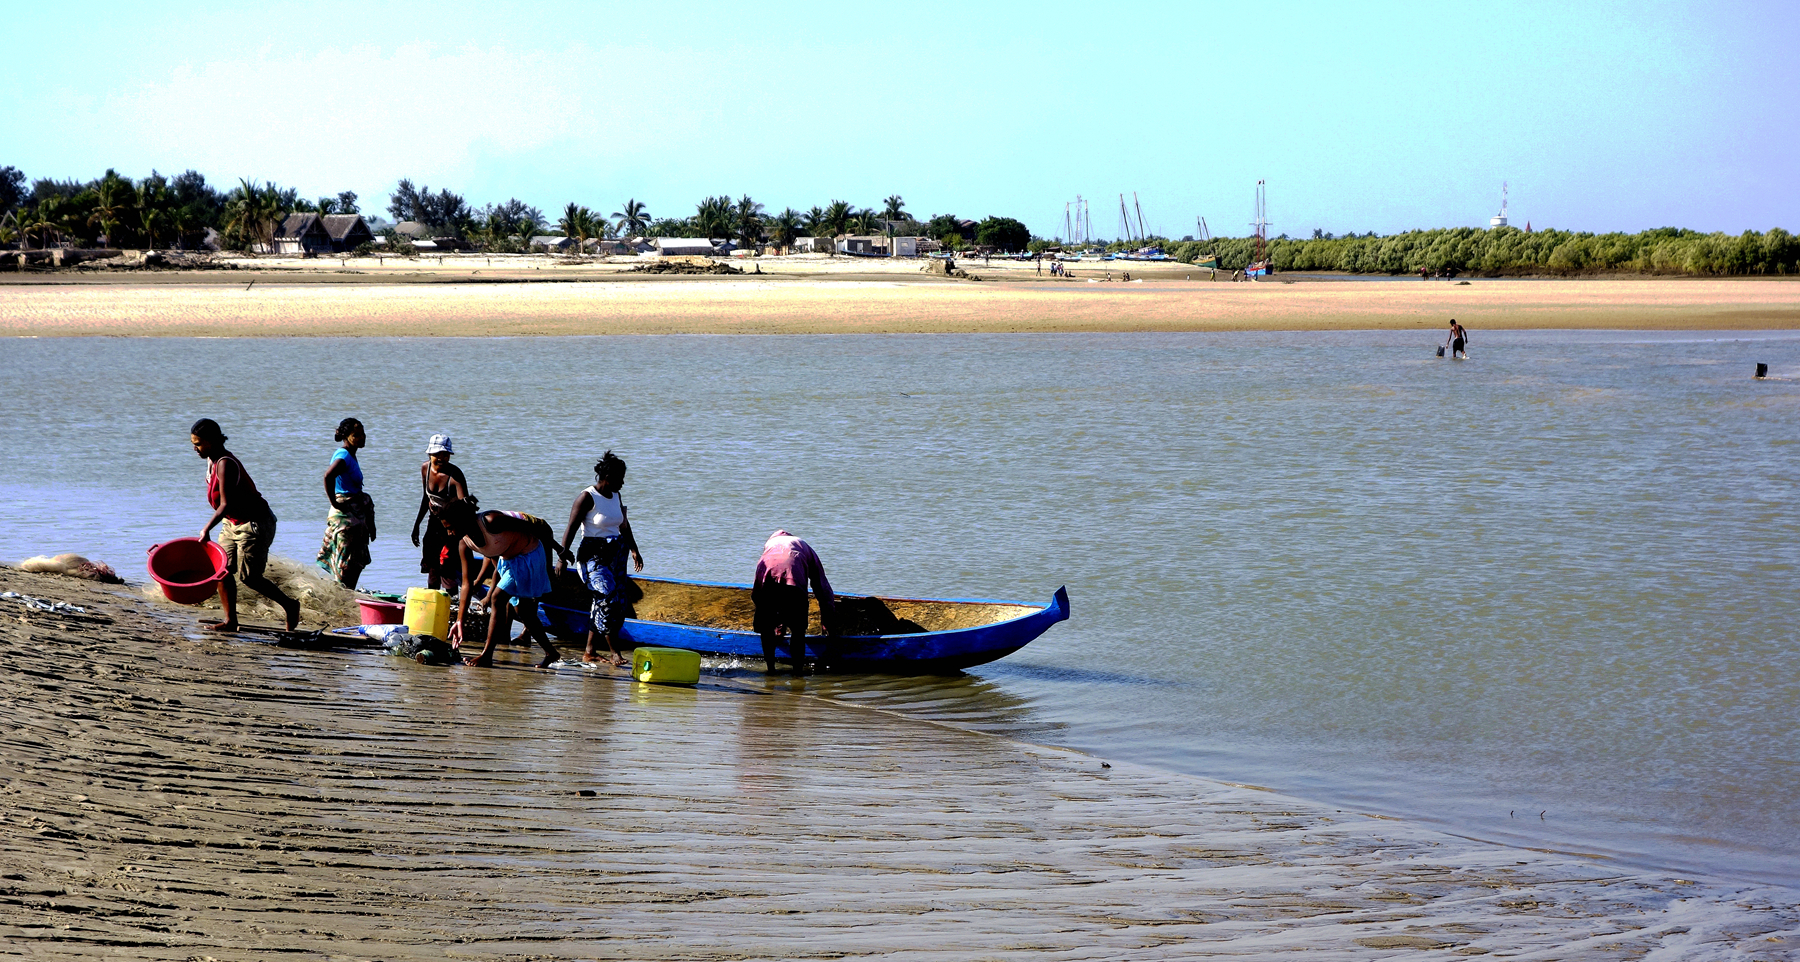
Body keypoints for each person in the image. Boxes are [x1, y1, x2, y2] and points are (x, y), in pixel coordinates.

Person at [190, 418, 300, 632]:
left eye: (198, 443)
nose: (195, 448)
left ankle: (290, 605)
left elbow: (225, 504)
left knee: (250, 577)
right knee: (222, 570)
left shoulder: (225, 464)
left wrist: (206, 529)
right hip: (232, 522)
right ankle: (231, 621)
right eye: (193, 443)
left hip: (255, 523)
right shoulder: (211, 460)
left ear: (212, 441)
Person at [438, 499, 573, 667]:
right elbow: (466, 584)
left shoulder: (491, 521)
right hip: (508, 560)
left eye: (450, 527)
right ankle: (551, 653)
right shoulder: (464, 543)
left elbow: (535, 528)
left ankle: (486, 655)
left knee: (497, 598)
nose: (449, 533)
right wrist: (460, 620)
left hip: (529, 555)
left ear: (462, 521)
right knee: (523, 611)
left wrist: (560, 550)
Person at [556, 451, 644, 667]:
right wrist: (561, 556)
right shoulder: (587, 497)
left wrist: (634, 549)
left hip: (617, 555)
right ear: (607, 478)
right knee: (608, 599)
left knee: (615, 602)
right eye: (620, 478)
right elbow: (572, 527)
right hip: (592, 557)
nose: (623, 483)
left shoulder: (616, 496)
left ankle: (589, 651)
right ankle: (615, 652)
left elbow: (623, 524)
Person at [752, 530, 838, 676]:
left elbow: (758, 588)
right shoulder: (803, 545)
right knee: (798, 630)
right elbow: (821, 586)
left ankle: (771, 670)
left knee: (766, 628)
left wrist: (772, 621)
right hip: (794, 585)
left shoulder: (769, 545)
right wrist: (828, 619)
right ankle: (797, 673)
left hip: (767, 583)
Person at [316, 417, 375, 589]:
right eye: (356, 435)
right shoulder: (343, 456)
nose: (362, 437)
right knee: (346, 561)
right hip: (345, 515)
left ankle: (347, 594)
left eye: (363, 433)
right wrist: (334, 502)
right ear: (346, 436)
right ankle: (342, 596)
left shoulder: (350, 455)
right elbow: (328, 476)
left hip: (354, 512)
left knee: (355, 559)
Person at [410, 434, 472, 592]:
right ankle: (432, 599)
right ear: (429, 454)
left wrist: (458, 532)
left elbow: (465, 508)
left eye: (445, 454)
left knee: (447, 567)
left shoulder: (455, 476)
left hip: (452, 527)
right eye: (437, 454)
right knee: (432, 566)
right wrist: (416, 525)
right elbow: (426, 498)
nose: (441, 458)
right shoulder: (426, 468)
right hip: (434, 523)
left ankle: (452, 603)